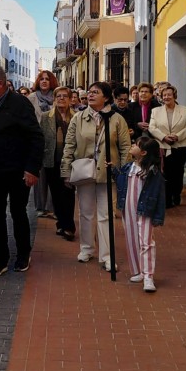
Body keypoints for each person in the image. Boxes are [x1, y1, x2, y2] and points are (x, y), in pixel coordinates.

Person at [0, 65, 44, 276]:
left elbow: (36, 136)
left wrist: (32, 169)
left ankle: (23, 253)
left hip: (17, 171)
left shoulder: (19, 103)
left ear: (0, 83)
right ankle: (0, 258)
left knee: (18, 212)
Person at [61, 81, 131, 271]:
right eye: (90, 92)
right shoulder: (78, 118)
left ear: (106, 97)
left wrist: (122, 171)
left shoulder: (116, 119)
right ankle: (86, 248)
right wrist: (65, 171)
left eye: (96, 92)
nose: (90, 95)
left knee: (106, 214)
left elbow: (125, 148)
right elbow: (69, 146)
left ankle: (107, 255)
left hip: (109, 173)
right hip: (84, 171)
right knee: (85, 213)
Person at [120, 136, 166, 292]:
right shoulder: (128, 168)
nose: (132, 146)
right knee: (132, 239)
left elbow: (160, 195)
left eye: (136, 145)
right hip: (128, 209)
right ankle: (138, 270)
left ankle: (148, 276)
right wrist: (111, 169)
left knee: (146, 242)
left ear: (144, 152)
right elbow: (119, 179)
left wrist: (158, 216)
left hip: (145, 211)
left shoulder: (152, 173)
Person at [147, 84, 186, 208]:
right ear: (161, 97)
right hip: (163, 146)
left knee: (177, 173)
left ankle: (176, 194)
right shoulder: (156, 111)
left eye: (169, 95)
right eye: (164, 95)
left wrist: (177, 136)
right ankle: (166, 199)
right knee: (164, 173)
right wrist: (163, 137)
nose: (166, 97)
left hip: (180, 146)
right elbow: (152, 127)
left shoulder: (185, 110)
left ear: (174, 96)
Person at [41, 86, 76, 241]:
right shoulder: (45, 116)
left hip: (70, 161)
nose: (61, 98)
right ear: (54, 99)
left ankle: (69, 227)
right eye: (58, 96)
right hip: (51, 160)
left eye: (65, 96)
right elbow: (41, 138)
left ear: (70, 99)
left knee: (68, 193)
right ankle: (61, 224)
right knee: (55, 194)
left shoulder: (76, 116)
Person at [27, 70, 58, 219]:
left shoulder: (56, 96)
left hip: (54, 139)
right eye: (41, 79)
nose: (44, 81)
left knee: (53, 173)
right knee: (40, 175)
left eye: (47, 79)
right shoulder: (32, 98)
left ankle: (52, 207)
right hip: (37, 139)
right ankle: (40, 207)